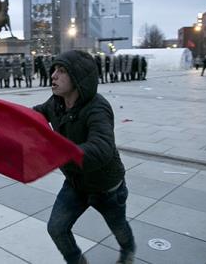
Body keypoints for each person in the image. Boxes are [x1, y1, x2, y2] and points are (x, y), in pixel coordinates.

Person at [34, 50, 135, 264]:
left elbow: (101, 148)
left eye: (62, 71)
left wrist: (55, 152)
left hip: (107, 187)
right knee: (56, 228)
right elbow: (28, 119)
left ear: (78, 77)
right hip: (76, 184)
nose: (53, 75)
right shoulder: (56, 103)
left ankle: (128, 250)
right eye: (54, 70)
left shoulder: (98, 107)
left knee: (118, 227)